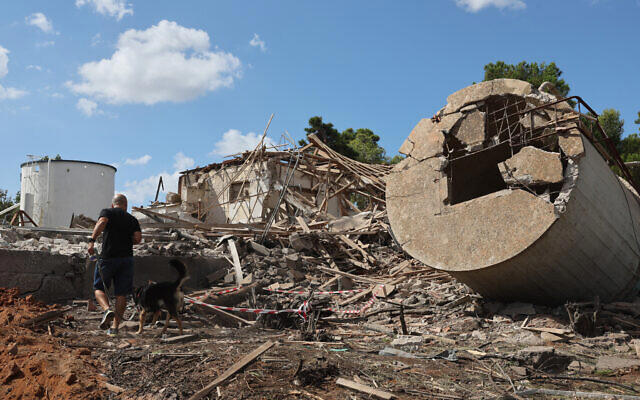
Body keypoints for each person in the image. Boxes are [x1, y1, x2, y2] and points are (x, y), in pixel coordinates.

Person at [88, 194, 142, 336]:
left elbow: (102, 222)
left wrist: (92, 240)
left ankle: (107, 310)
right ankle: (115, 328)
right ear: (126, 205)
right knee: (121, 294)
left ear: (113, 204)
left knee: (99, 288)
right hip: (126, 260)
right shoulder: (132, 219)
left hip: (108, 258)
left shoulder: (107, 212)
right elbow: (138, 238)